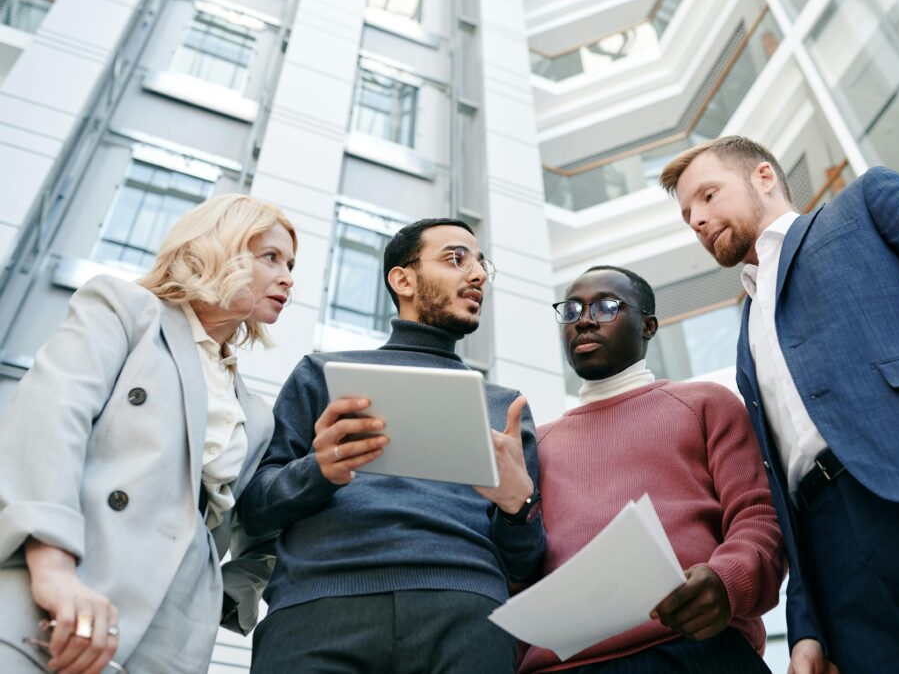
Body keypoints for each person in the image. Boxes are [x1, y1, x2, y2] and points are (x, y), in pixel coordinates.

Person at [659, 134, 899, 674]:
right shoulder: (745, 338)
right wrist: (807, 625)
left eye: (708, 196)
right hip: (842, 564)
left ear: (764, 177)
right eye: (688, 217)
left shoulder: (867, 204)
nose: (697, 219)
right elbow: (781, 484)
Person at [0, 194, 297, 673]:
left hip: (172, 635)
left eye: (290, 264)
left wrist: (214, 597)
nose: (287, 277)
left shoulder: (256, 416)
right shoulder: (126, 310)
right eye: (271, 257)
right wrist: (53, 566)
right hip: (64, 590)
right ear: (218, 248)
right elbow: (49, 421)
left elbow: (257, 528)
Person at [237, 218, 544, 673]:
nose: (479, 275)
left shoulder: (506, 408)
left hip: (468, 616)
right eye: (457, 259)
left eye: (483, 265)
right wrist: (319, 470)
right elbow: (253, 510)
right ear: (403, 280)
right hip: (317, 611)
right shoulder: (321, 375)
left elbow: (526, 564)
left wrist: (520, 507)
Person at [518, 265, 784, 674]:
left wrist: (726, 580)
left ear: (648, 325)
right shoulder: (537, 444)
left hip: (697, 648)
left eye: (606, 307)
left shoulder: (705, 404)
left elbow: (758, 515)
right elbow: (521, 563)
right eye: (572, 310)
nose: (584, 320)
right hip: (566, 666)